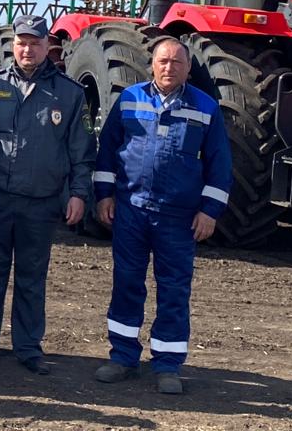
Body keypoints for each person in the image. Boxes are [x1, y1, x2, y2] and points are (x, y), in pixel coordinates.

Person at [92, 37, 232, 395]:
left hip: (178, 217)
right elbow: (107, 150)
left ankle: (168, 365)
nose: (169, 68)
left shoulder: (205, 107)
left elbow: (220, 164)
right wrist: (104, 195)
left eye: (177, 62)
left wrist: (209, 211)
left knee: (173, 290)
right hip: (131, 209)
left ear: (188, 68)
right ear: (152, 64)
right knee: (126, 283)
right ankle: (122, 357)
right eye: (163, 61)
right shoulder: (129, 99)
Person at [0, 13, 95, 375]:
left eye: (35, 43)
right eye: (21, 43)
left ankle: (28, 347)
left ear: (47, 45)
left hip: (41, 202)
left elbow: (81, 151)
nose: (27, 49)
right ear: (13, 45)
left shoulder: (69, 94)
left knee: (31, 278)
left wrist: (79, 193)